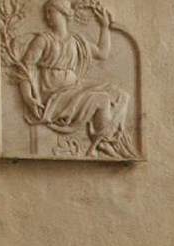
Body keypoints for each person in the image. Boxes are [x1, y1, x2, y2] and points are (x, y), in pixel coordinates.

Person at [15, 0, 136, 158]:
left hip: (75, 89)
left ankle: (104, 140)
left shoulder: (77, 41)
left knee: (121, 95)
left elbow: (102, 53)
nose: (47, 17)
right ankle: (100, 142)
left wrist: (104, 27)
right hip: (54, 96)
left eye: (51, 12)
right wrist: (28, 97)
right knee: (103, 99)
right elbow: (24, 69)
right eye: (46, 13)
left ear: (63, 13)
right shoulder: (43, 40)